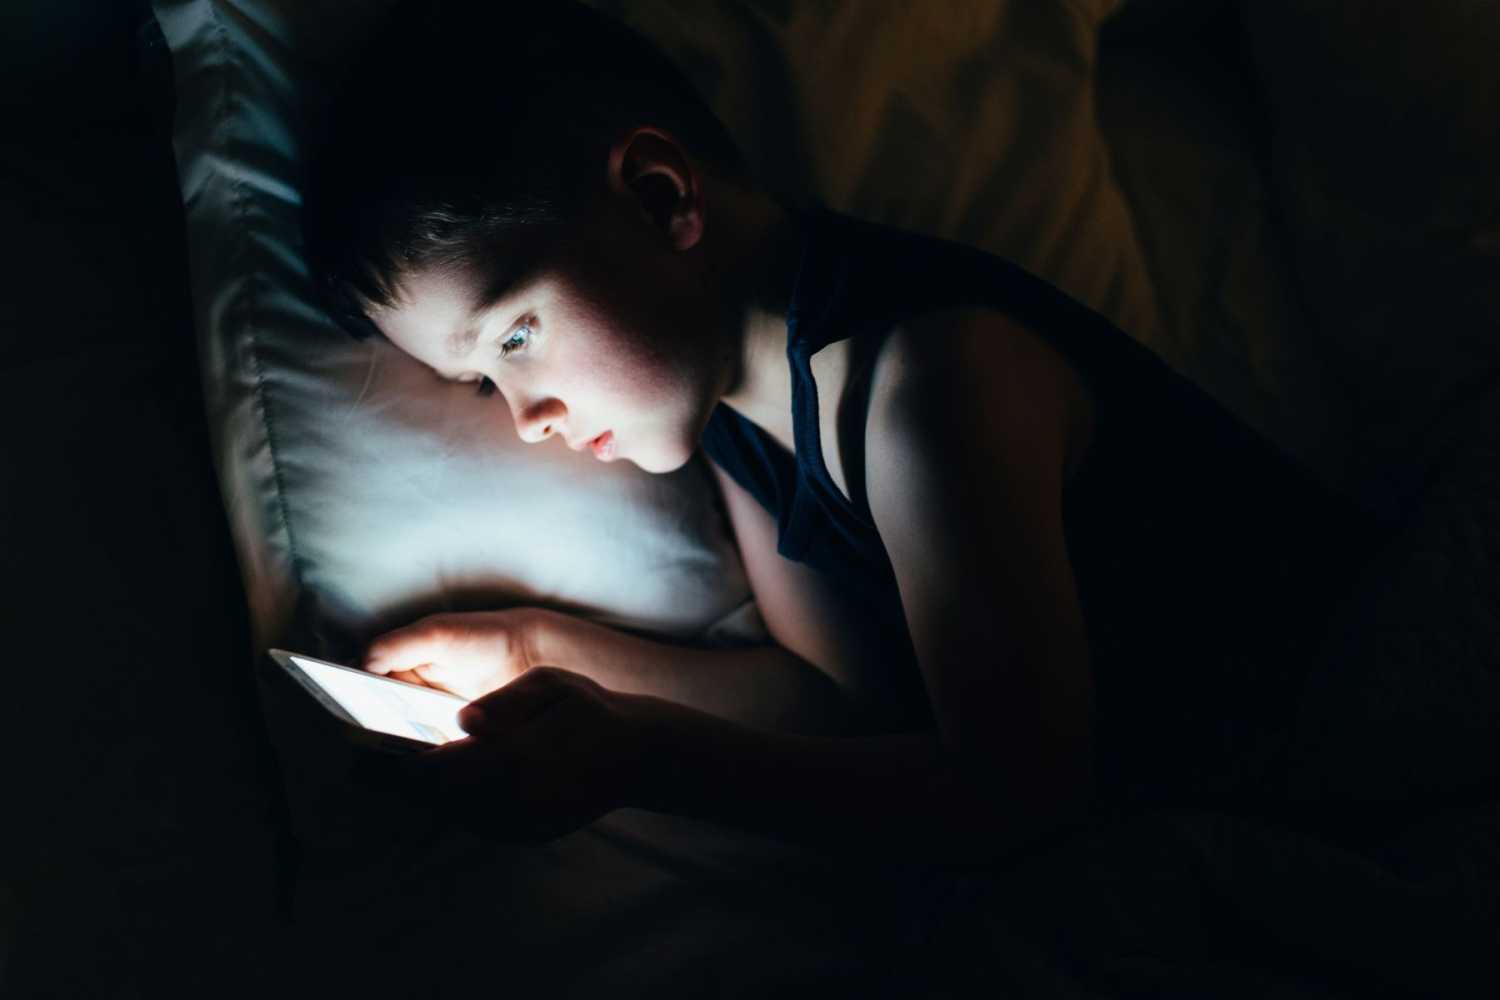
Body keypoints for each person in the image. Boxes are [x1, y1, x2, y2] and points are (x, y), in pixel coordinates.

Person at [303, 1, 1391, 857]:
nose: (529, 418)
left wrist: (640, 759)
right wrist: (530, 655)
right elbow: (829, 696)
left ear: (657, 194)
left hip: (1350, 703)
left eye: (517, 337)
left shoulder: (929, 384)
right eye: (485, 384)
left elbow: (1015, 790)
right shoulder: (733, 422)